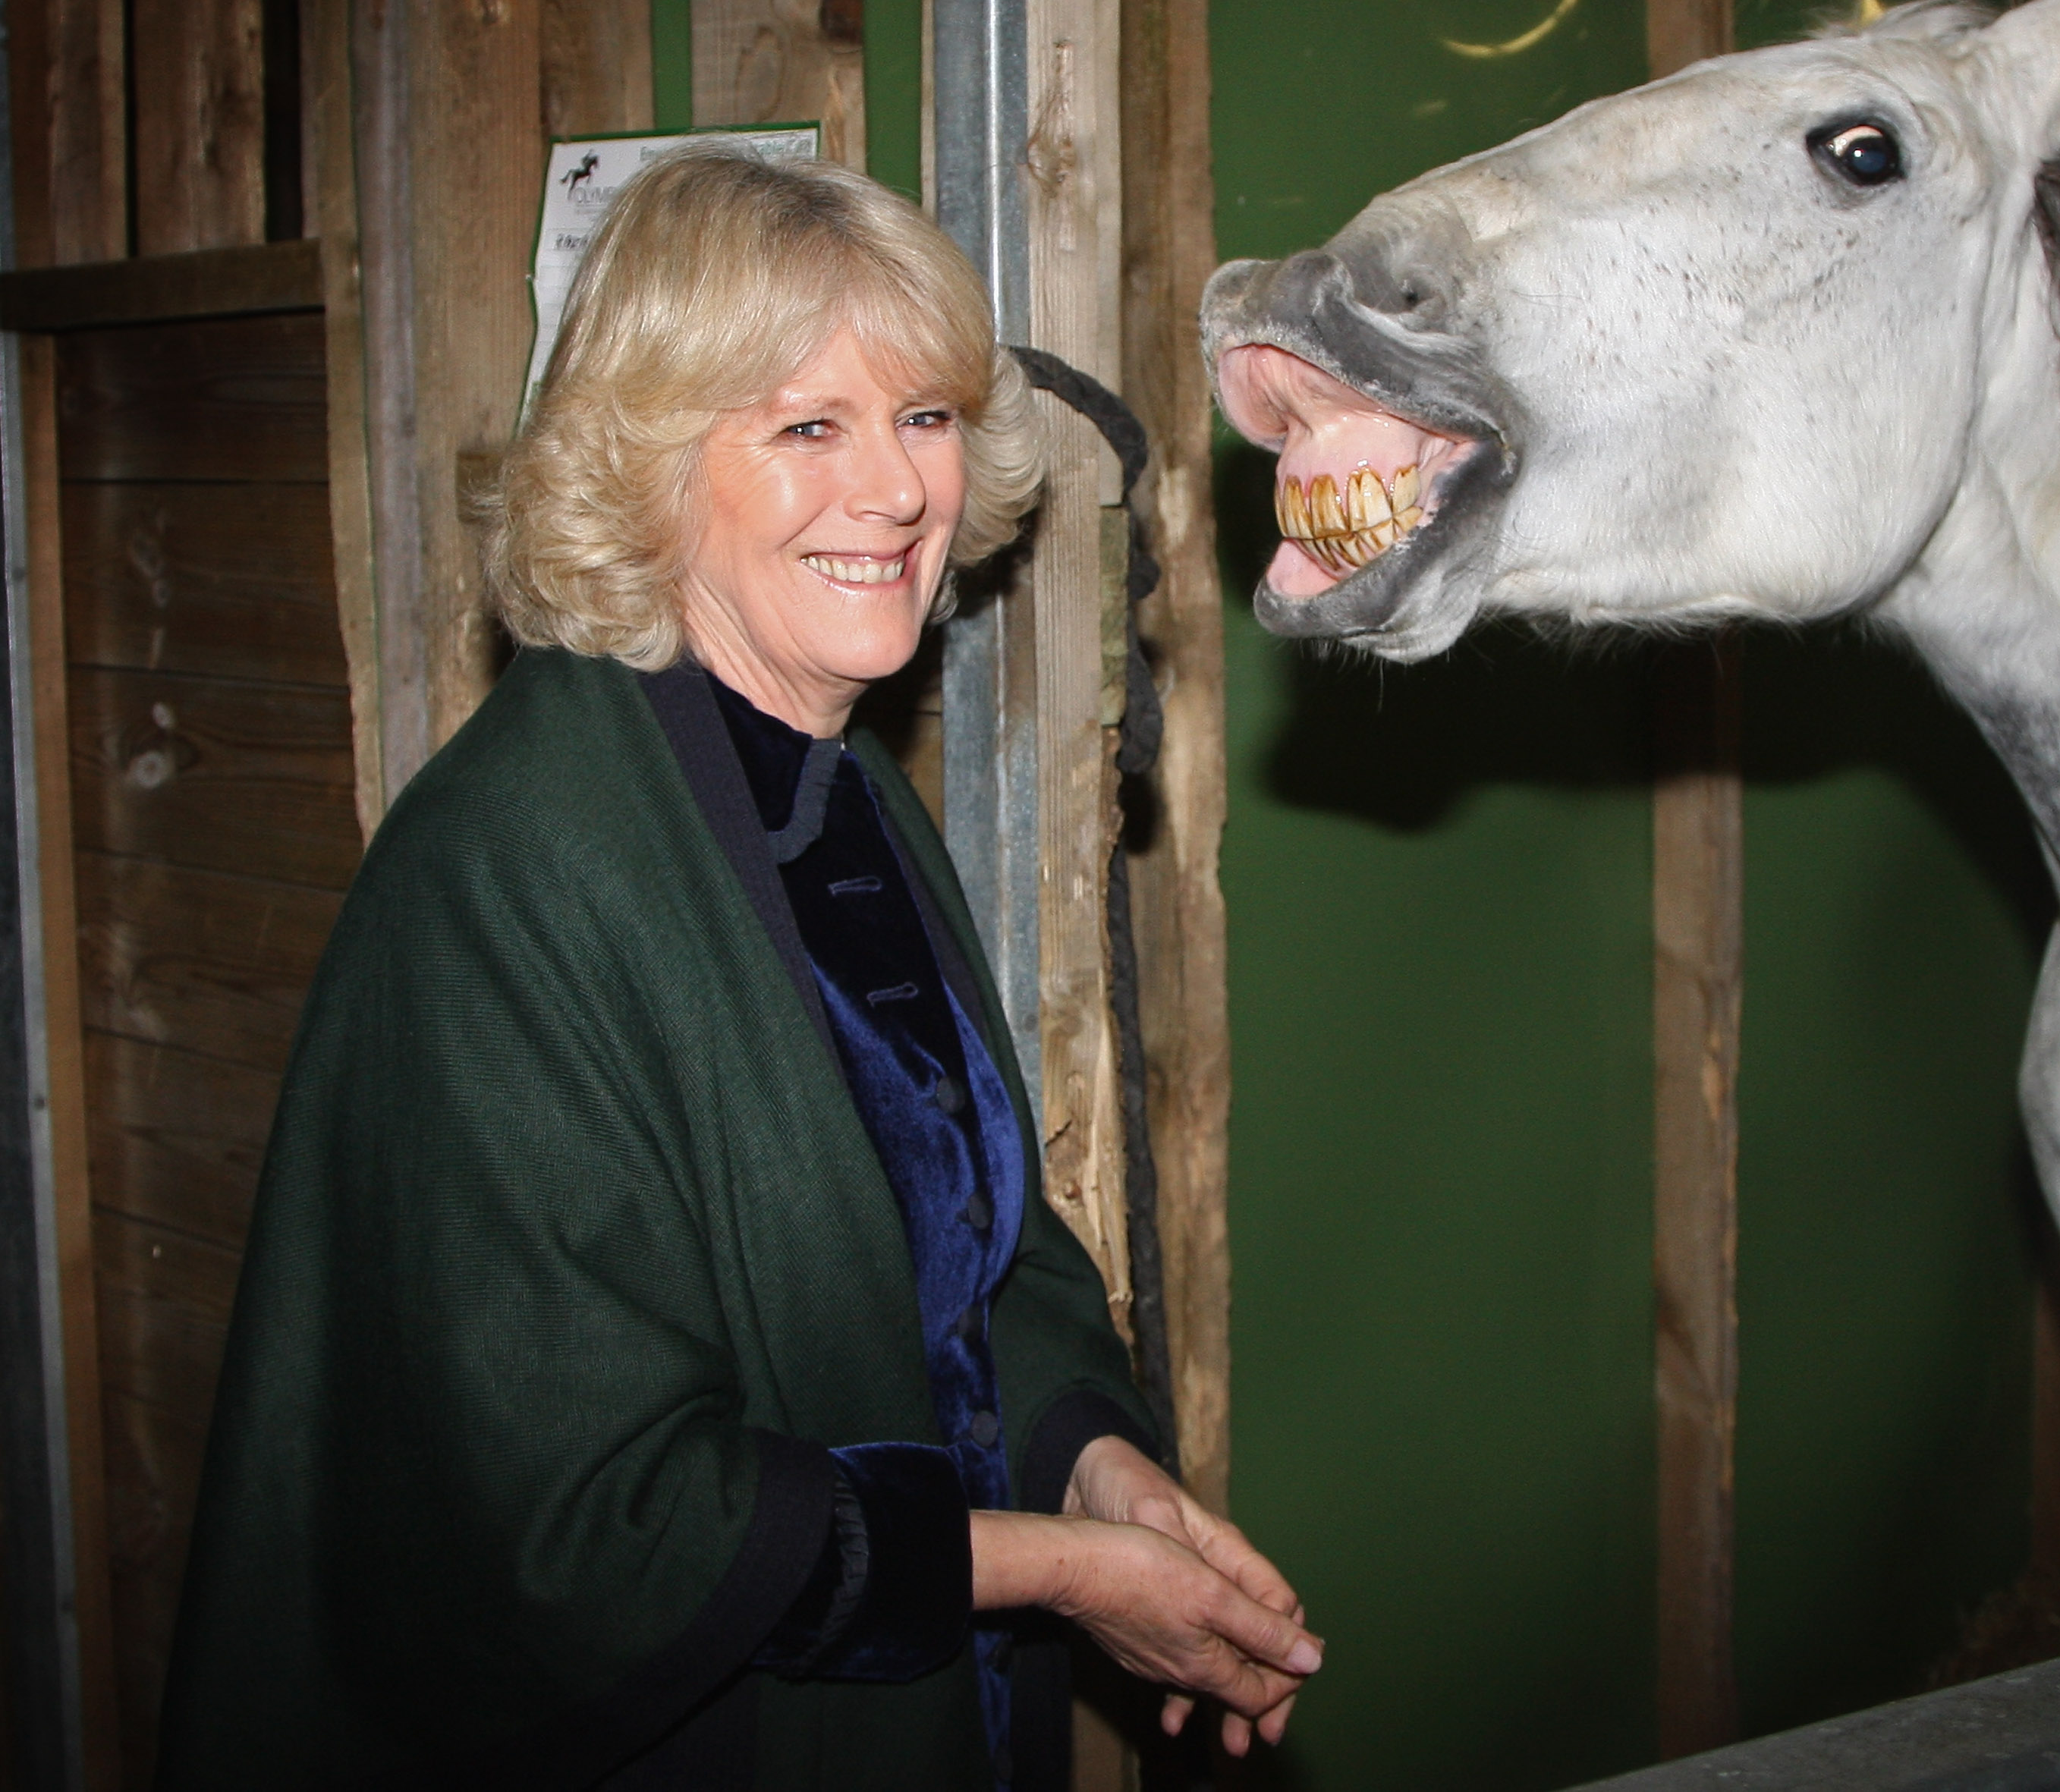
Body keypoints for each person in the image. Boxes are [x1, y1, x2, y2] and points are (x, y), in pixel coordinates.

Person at [156, 146, 1319, 1790]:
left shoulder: (842, 799)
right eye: (805, 428)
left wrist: (1100, 1471)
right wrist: (1058, 1572)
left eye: (924, 416)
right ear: (646, 469)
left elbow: (978, 1246)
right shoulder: (511, 871)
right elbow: (587, 1525)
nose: (902, 489)